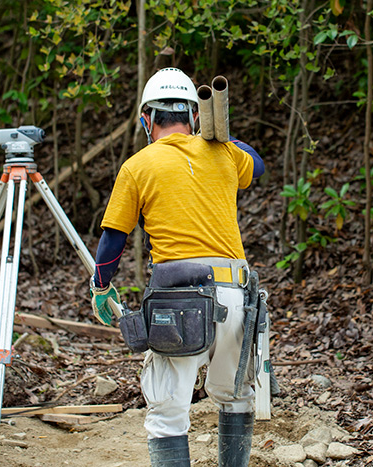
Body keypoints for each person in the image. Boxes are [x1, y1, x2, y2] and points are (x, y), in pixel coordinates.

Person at [89, 67, 265, 467]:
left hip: (178, 300)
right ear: (195, 116)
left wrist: (102, 285)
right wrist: (223, 136)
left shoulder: (137, 165)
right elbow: (257, 164)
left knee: (168, 413)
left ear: (146, 120)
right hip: (236, 296)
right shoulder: (223, 153)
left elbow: (113, 240)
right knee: (237, 398)